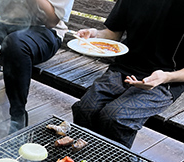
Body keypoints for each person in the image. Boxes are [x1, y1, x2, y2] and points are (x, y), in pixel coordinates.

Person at [0, 0, 75, 137]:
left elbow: (52, 20)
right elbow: (3, 10)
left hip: (45, 32)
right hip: (7, 25)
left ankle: (18, 117)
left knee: (15, 44)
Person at [72, 0, 184, 149]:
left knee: (116, 118)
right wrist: (95, 35)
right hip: (122, 69)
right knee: (85, 108)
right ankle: (79, 158)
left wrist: (166, 77)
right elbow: (113, 34)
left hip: (165, 80)